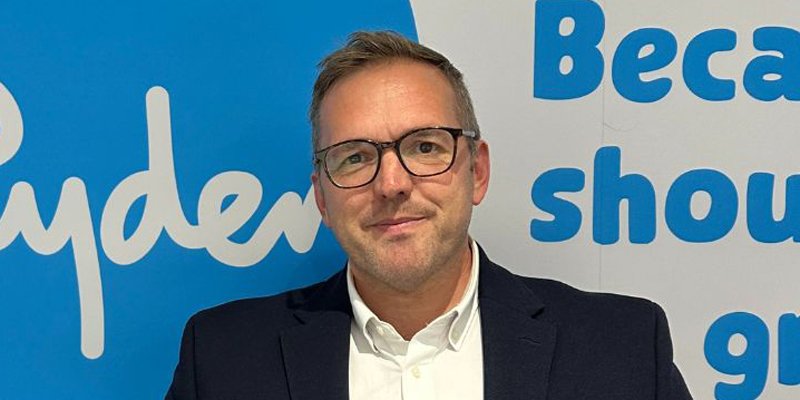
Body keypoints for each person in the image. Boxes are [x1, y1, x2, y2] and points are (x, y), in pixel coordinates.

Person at [165, 30, 693, 400]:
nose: (392, 184)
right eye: (354, 157)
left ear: (476, 171)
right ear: (322, 197)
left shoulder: (621, 346)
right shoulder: (222, 358)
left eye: (424, 147)